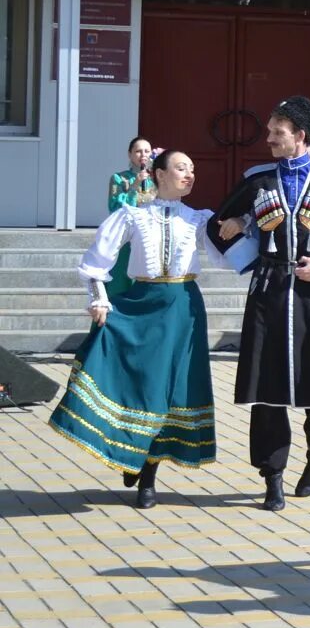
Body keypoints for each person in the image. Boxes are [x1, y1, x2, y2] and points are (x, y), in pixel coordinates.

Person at [208, 96, 310, 512]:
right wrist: (241, 232)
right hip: (269, 292)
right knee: (267, 392)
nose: (268, 139)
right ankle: (272, 477)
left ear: (299, 137)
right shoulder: (257, 180)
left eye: (276, 133)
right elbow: (216, 226)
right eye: (269, 132)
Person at [49, 150, 222, 509]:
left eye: (192, 169)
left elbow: (231, 254)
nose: (189, 175)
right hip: (143, 303)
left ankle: (147, 475)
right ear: (159, 174)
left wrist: (245, 227)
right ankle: (134, 453)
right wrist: (99, 299)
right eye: (180, 168)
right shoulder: (132, 216)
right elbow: (98, 259)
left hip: (184, 310)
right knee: (143, 386)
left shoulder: (200, 220)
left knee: (169, 390)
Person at [105, 137, 158, 299]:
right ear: (130, 154)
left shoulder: (156, 180)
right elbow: (115, 207)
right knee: (122, 281)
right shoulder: (119, 178)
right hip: (126, 239)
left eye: (147, 151)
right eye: (138, 151)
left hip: (149, 237)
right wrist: (135, 185)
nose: (143, 155)